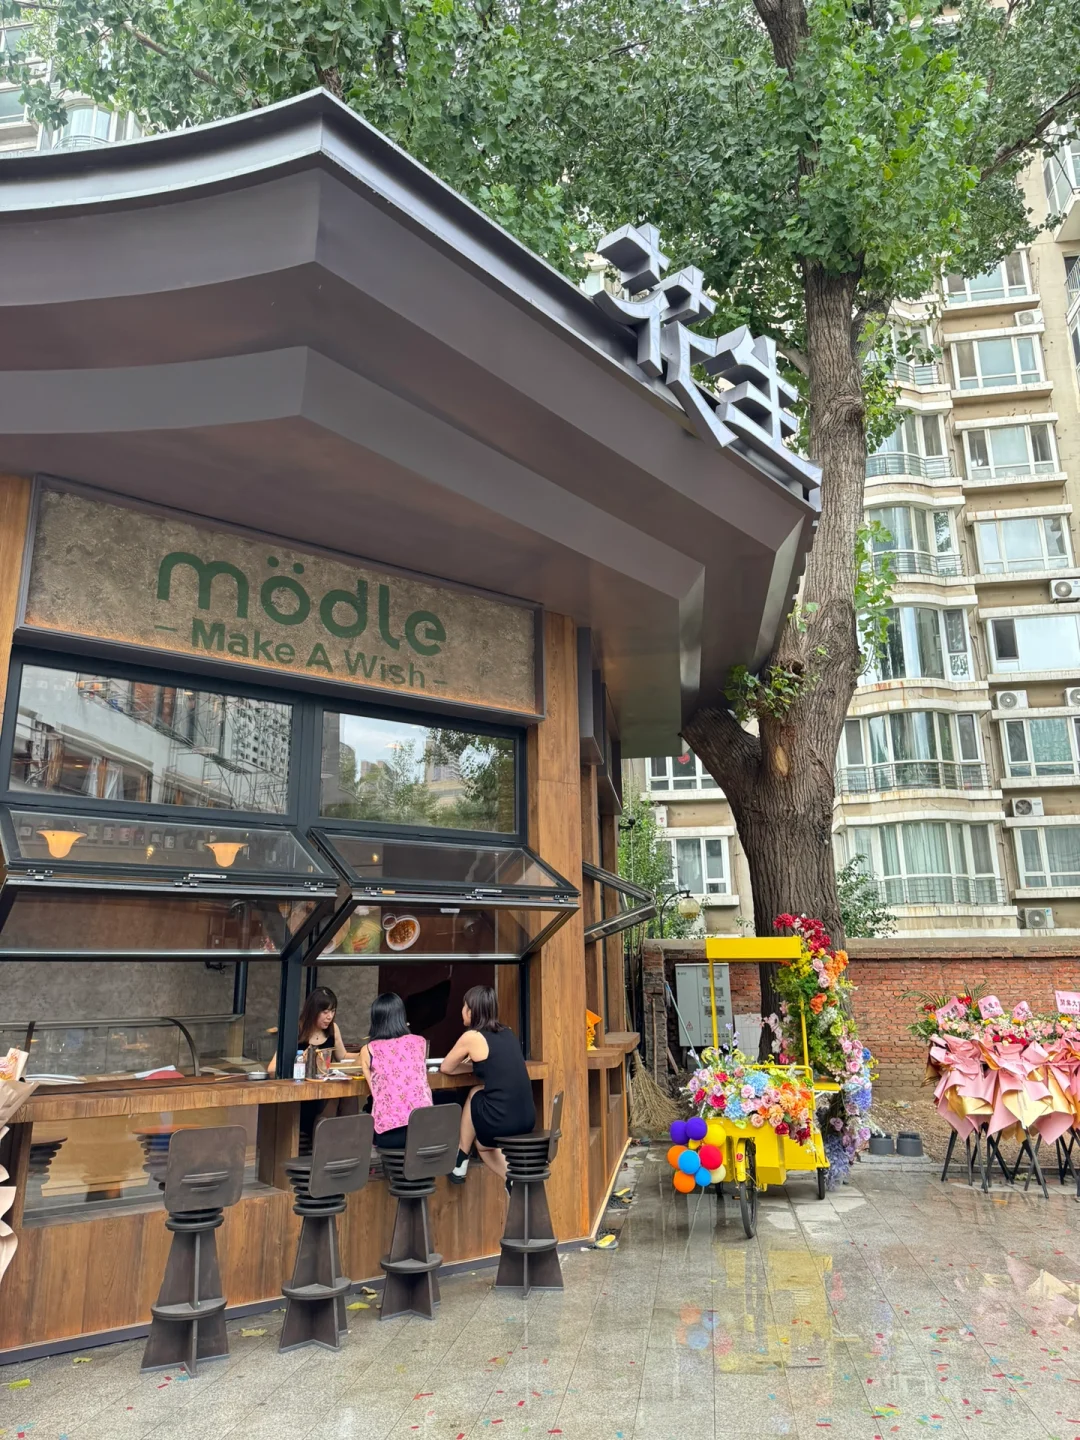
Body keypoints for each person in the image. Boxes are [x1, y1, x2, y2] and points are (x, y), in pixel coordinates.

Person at [442, 984, 534, 1183]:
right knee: (478, 1093)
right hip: (527, 1118)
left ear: (471, 1011)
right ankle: (511, 1181)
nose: (462, 1010)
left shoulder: (472, 1036)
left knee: (476, 1099)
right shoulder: (508, 1032)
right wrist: (473, 1066)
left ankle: (461, 1158)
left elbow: (446, 1067)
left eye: (464, 1006)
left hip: (503, 1121)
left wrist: (467, 1066)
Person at [357, 992, 433, 1148]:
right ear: (401, 1017)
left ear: (375, 1020)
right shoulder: (420, 1042)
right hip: (424, 1129)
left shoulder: (369, 1050)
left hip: (390, 1134)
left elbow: (374, 1090)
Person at [267, 986, 347, 1077]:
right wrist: (301, 1060)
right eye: (325, 1012)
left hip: (325, 1084)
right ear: (313, 1011)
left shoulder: (333, 1028)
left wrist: (360, 1054)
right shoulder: (294, 1030)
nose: (330, 1017)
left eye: (333, 1011)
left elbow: (343, 1057)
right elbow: (272, 1070)